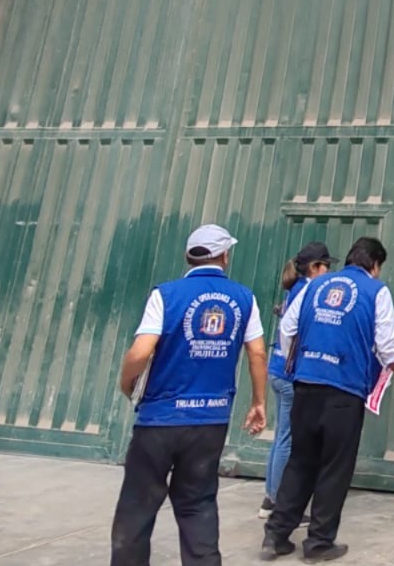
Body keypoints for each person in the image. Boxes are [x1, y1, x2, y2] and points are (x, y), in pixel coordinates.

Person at [112, 224, 267, 566]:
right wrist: (259, 402)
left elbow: (141, 352)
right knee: (198, 505)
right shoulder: (245, 298)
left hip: (159, 420)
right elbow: (257, 352)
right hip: (210, 420)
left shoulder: (165, 295)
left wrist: (126, 383)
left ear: (188, 257)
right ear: (225, 256)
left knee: (137, 505)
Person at [262, 237, 394, 562]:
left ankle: (275, 536)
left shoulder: (314, 285)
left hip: (306, 385)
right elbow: (387, 345)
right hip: (344, 392)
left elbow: (287, 327)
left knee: (300, 461)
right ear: (375, 265)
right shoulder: (376, 291)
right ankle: (319, 543)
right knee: (334, 468)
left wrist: (301, 363)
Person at [261, 242, 333, 519]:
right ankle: (278, 501)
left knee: (281, 437)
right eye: (326, 265)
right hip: (289, 375)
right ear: (315, 267)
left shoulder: (295, 288)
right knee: (287, 440)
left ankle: (270, 497)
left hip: (277, 370)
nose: (328, 271)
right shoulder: (308, 291)